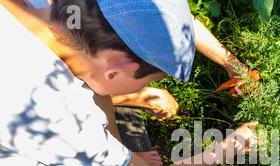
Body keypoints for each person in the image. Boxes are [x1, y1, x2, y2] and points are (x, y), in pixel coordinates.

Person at [0, 0, 257, 166]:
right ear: (114, 69)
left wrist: (136, 96)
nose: (148, 85)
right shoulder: (63, 116)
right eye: (147, 81)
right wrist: (231, 145)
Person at [23, 0, 251, 120]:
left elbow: (165, 16)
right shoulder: (36, 66)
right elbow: (72, 92)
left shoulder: (71, 17)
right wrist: (140, 97)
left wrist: (232, 63)